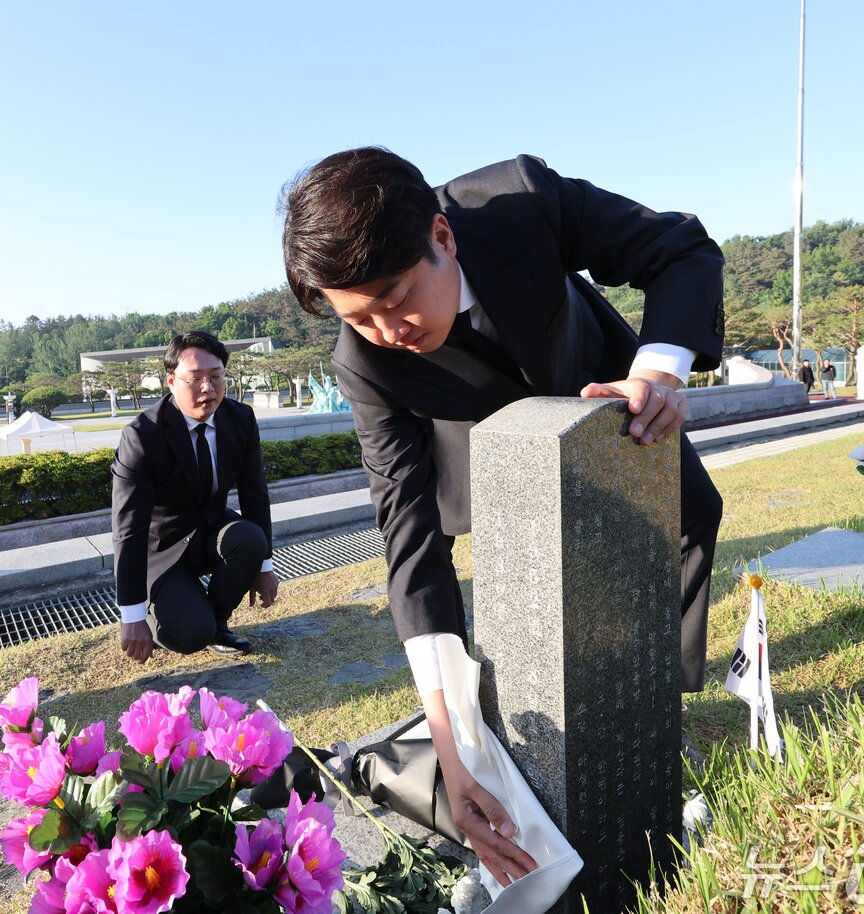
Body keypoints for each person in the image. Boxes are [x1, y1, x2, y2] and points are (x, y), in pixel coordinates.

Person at [281, 148, 725, 885]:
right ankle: (454, 747)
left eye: (395, 298)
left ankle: (657, 711)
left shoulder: (521, 199)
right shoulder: (364, 363)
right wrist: (452, 743)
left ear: (443, 237)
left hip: (603, 389)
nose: (388, 330)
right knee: (532, 603)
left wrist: (660, 370)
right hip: (481, 445)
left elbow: (679, 246)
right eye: (358, 318)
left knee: (689, 515)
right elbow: (408, 535)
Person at [112, 331, 280, 662]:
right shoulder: (142, 436)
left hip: (208, 531)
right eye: (196, 379)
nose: (208, 387)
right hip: (159, 548)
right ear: (171, 381)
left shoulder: (240, 419)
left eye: (216, 377)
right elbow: (128, 528)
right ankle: (168, 608)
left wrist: (264, 564)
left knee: (249, 538)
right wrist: (130, 616)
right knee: (187, 634)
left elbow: (254, 493)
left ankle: (215, 624)